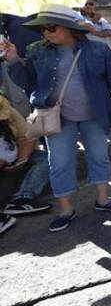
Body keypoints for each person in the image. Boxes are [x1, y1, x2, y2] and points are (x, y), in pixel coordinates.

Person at [3, 4, 111, 232]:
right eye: (42, 29)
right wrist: (13, 60)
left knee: (99, 156)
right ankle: (66, 210)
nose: (46, 33)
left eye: (51, 28)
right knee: (59, 163)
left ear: (69, 27)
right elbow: (28, 82)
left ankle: (103, 201)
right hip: (56, 118)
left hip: (95, 114)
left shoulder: (98, 50)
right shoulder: (37, 50)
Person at [0, 93, 51, 234]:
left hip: (15, 156)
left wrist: (21, 160)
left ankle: (22, 200)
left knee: (47, 159)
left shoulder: (7, 108)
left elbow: (27, 136)